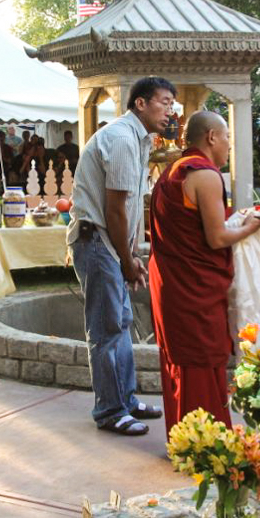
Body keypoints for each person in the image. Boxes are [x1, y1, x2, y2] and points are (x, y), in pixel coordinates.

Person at [68, 77, 175, 436]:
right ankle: (110, 410)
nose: (170, 110)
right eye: (164, 102)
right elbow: (115, 209)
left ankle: (125, 400)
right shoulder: (122, 138)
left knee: (121, 322)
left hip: (108, 243)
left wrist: (130, 253)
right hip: (96, 241)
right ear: (140, 104)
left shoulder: (138, 139)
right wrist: (126, 260)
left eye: (172, 103)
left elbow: (126, 209)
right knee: (107, 327)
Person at [150, 111, 260, 436]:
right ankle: (205, 444)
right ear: (212, 137)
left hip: (172, 280)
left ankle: (183, 438)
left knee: (182, 362)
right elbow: (216, 238)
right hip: (193, 287)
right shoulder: (206, 175)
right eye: (227, 136)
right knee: (201, 358)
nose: (229, 144)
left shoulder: (173, 169)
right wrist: (253, 226)